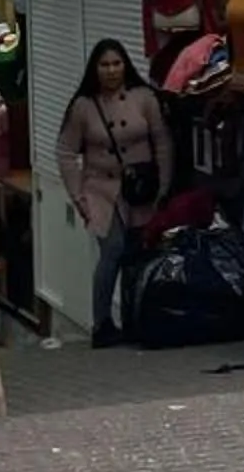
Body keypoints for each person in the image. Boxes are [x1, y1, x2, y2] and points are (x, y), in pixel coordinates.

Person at [56, 38, 174, 347]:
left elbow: (161, 141)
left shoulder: (144, 97)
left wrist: (163, 184)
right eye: (105, 65)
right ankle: (103, 323)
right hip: (100, 189)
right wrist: (78, 196)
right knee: (112, 250)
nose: (111, 70)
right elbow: (66, 151)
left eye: (116, 63)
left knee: (137, 251)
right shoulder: (84, 106)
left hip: (140, 188)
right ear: (95, 69)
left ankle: (136, 318)